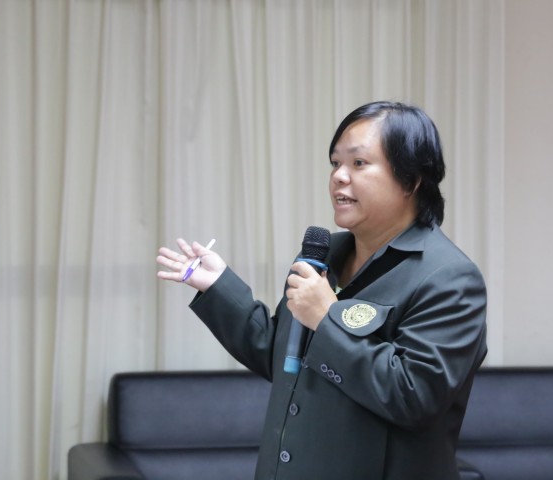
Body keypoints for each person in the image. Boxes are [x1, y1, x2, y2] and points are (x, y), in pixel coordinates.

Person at [156, 101, 487, 480]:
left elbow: (413, 396)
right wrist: (218, 286)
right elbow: (282, 356)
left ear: (411, 180)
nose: (339, 177)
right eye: (335, 163)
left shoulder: (449, 277)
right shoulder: (322, 256)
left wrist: (328, 318)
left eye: (358, 163)